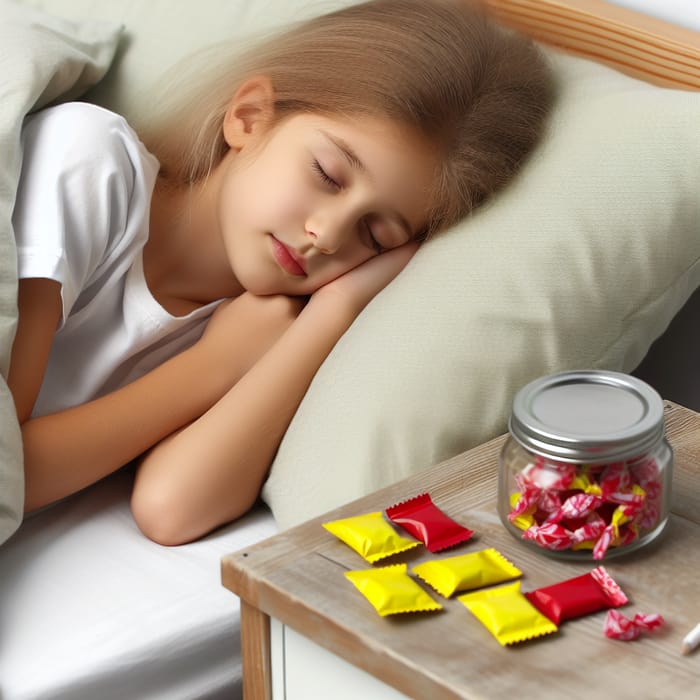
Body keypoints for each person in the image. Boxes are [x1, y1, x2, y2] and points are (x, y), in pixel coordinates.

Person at [8, 0, 554, 545]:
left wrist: (330, 317)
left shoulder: (258, 323)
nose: (329, 235)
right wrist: (213, 365)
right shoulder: (91, 163)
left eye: (375, 234)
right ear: (249, 116)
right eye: (329, 175)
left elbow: (170, 508)